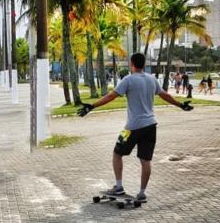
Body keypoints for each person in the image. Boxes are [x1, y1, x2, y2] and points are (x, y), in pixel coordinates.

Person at [77, 53, 193, 202]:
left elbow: (110, 96)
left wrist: (92, 106)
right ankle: (142, 193)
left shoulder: (128, 80)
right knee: (145, 160)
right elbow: (164, 95)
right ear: (144, 64)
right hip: (151, 125)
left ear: (132, 63)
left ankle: (118, 187)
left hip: (132, 127)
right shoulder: (152, 79)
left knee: (117, 154)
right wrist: (181, 105)